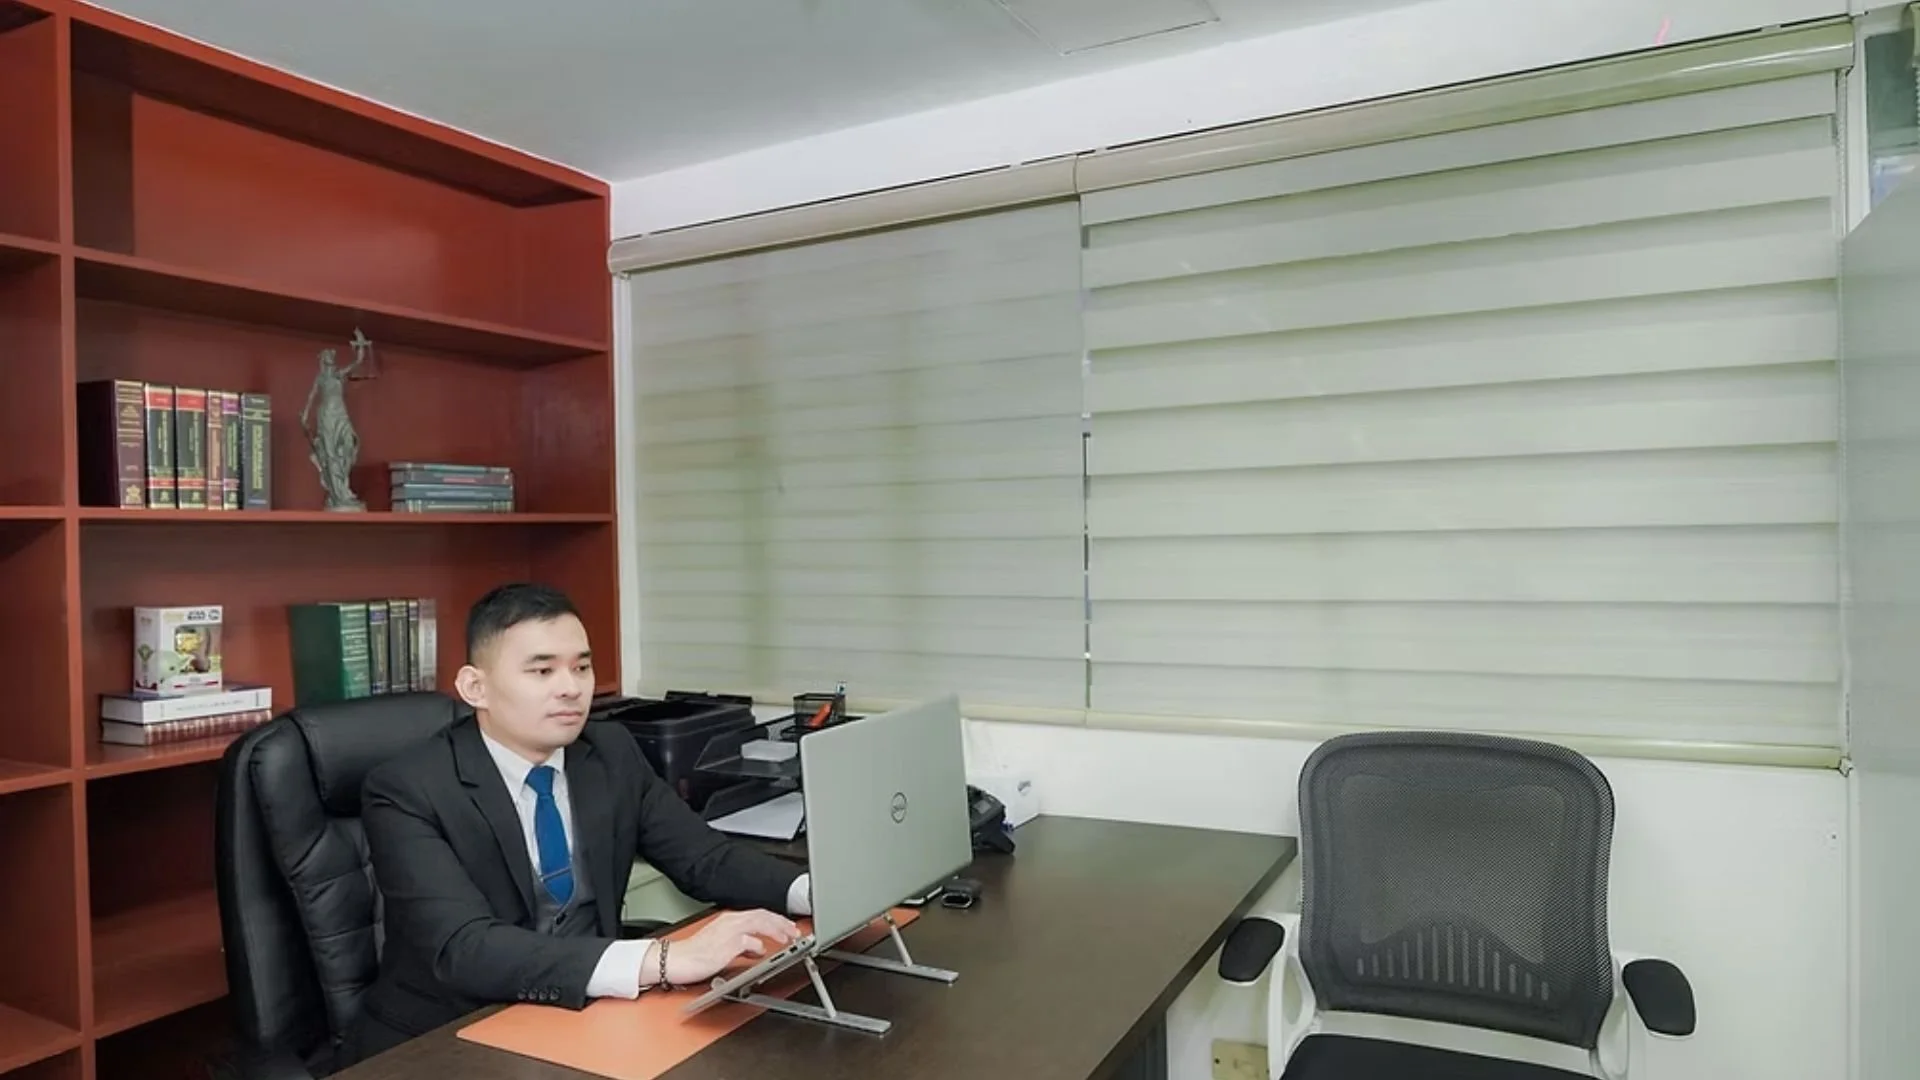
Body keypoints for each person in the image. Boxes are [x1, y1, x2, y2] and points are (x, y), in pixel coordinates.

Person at [344, 582, 810, 1065]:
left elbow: (706, 860)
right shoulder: (406, 788)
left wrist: (812, 891)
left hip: (588, 1016)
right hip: (454, 1034)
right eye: (542, 670)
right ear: (475, 687)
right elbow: (464, 948)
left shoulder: (609, 752)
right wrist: (666, 959)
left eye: (581, 667)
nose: (571, 687)